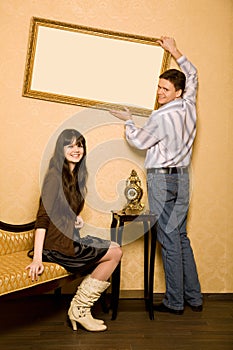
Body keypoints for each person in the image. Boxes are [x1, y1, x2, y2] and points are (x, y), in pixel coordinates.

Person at [110, 36, 202, 314]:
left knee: (169, 239)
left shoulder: (161, 117)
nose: (160, 92)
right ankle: (194, 298)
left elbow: (139, 141)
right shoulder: (189, 105)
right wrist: (174, 50)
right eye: (159, 87)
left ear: (177, 92)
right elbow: (193, 74)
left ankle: (175, 302)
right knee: (181, 236)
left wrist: (127, 120)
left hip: (161, 179)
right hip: (183, 178)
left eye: (165, 88)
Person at [26, 129, 122, 331]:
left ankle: (80, 310)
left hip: (69, 238)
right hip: (57, 245)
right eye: (70, 145)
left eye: (79, 145)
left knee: (114, 247)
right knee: (115, 252)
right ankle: (80, 310)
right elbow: (42, 218)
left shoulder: (75, 176)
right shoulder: (54, 177)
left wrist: (75, 219)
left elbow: (63, 209)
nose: (76, 149)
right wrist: (37, 258)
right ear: (61, 149)